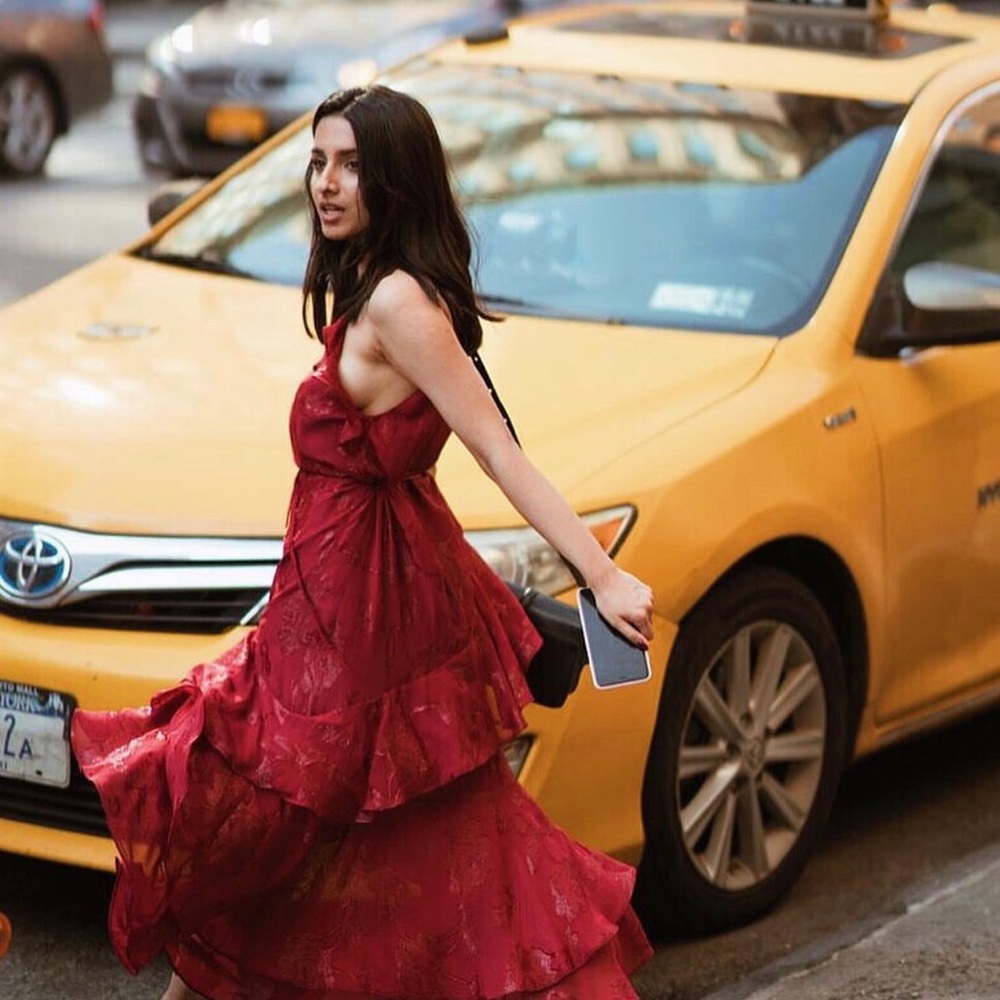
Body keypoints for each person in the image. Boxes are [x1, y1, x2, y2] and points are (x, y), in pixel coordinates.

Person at [72, 84, 655, 1000]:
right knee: (362, 848)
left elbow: (501, 455)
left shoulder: (396, 306)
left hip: (356, 631)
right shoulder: (376, 289)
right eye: (317, 163)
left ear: (397, 179)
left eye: (350, 165)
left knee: (272, 816)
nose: (326, 184)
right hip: (342, 605)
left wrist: (605, 575)